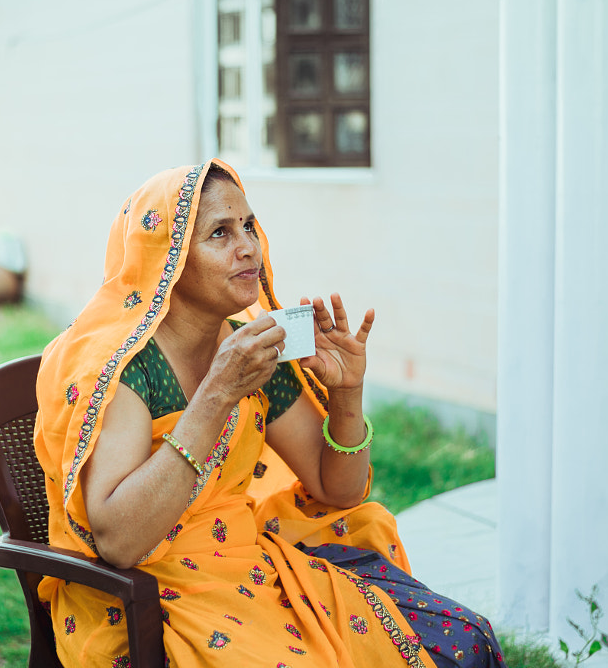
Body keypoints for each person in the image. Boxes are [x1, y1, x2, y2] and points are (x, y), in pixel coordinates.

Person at [33, 159, 507, 668]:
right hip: (149, 592)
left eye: (249, 226)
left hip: (246, 563)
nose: (248, 247)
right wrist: (216, 395)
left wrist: (347, 395)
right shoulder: (127, 368)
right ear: (166, 261)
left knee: (465, 640)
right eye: (220, 232)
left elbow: (337, 489)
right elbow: (120, 541)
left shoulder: (247, 347)